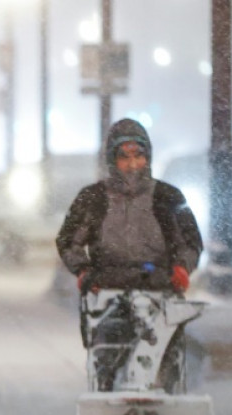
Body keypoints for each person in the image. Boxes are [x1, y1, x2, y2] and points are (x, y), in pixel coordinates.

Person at [56, 118, 202, 391]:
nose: (132, 164)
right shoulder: (93, 199)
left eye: (138, 156)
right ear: (112, 160)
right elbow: (68, 241)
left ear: (148, 157)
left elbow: (190, 242)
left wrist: (182, 269)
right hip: (109, 295)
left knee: (164, 367)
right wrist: (84, 272)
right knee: (108, 367)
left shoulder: (168, 197)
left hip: (160, 292)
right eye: (124, 157)